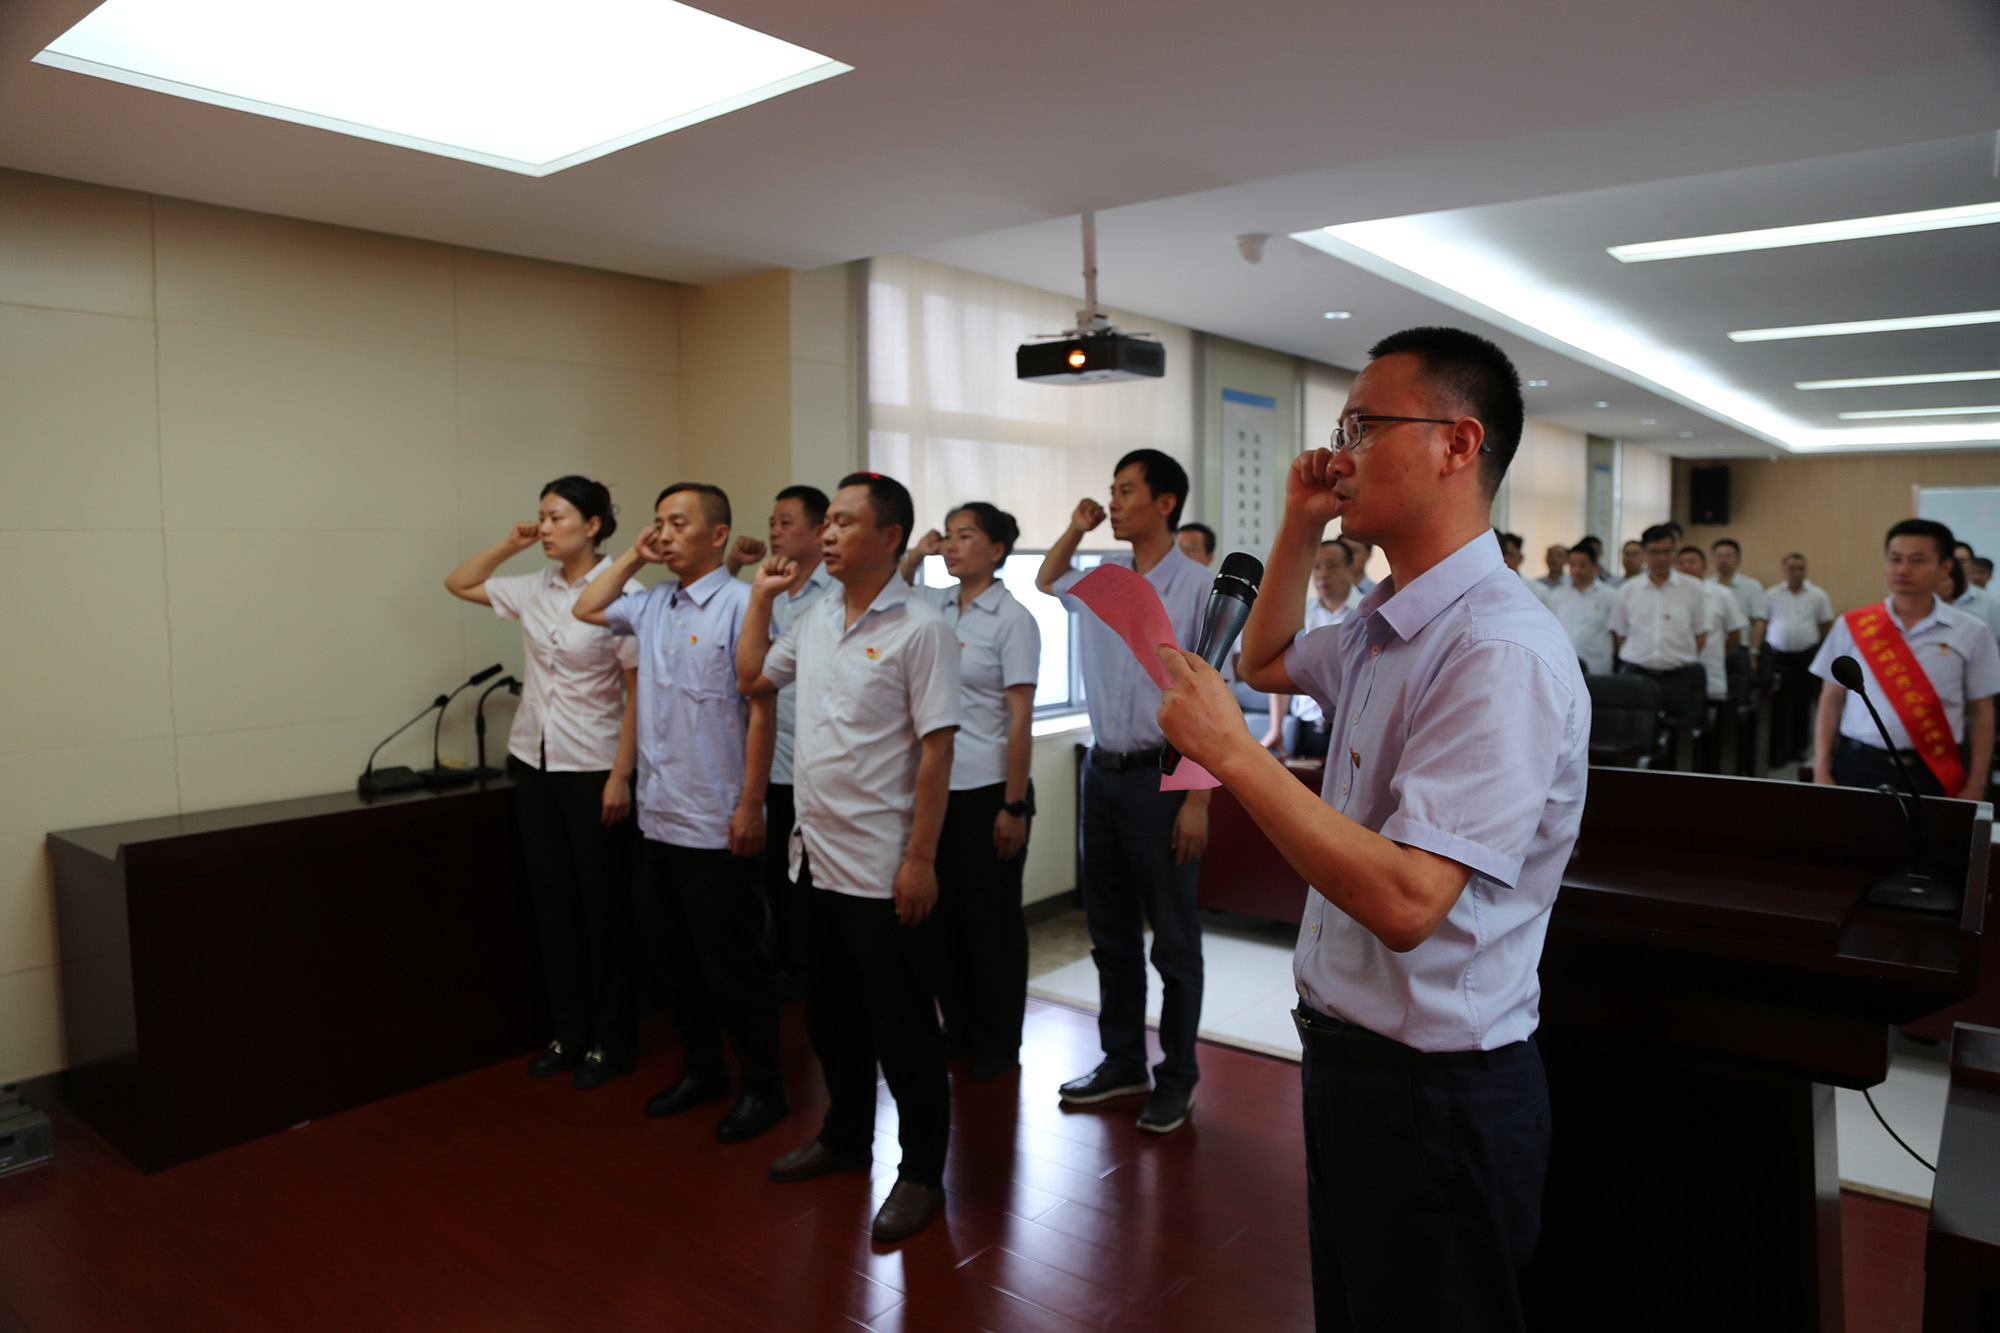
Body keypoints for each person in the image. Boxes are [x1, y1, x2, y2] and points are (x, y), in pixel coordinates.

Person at [1165, 325, 1585, 1330]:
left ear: (1456, 444)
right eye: (1339, 428)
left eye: (1363, 426)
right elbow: (1264, 658)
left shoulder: (1494, 647)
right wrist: (1300, 520)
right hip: (1351, 1063)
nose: (1338, 452)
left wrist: (1233, 755)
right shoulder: (1387, 618)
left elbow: (1407, 900)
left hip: (1437, 1093)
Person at [737, 471, 960, 1243]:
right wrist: (761, 599)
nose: (827, 533)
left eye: (844, 522)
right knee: (830, 1019)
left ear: (890, 537)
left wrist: (921, 860)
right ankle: (844, 1136)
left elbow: (937, 752)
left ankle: (922, 1172)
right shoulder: (815, 616)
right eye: (825, 520)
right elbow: (751, 677)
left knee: (904, 1029)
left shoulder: (922, 627)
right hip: (815, 855)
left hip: (882, 863)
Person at [573, 483, 788, 1144]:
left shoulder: (742, 603)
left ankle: (764, 1087)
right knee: (676, 960)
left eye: (678, 523)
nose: (665, 534)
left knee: (735, 963)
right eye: (658, 524)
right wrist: (633, 556)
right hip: (659, 814)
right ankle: (703, 1069)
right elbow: (586, 605)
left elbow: (762, 710)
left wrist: (751, 804)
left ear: (718, 534)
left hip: (718, 817)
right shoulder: (652, 603)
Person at [444, 477, 642, 1090]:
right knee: (553, 905)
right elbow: (460, 583)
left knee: (601, 908)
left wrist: (621, 774)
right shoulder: (534, 586)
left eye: (558, 517)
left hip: (593, 768)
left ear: (593, 525)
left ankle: (612, 1041)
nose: (546, 527)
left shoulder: (623, 591)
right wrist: (511, 544)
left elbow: (639, 692)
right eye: (542, 517)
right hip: (533, 761)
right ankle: (569, 1033)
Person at [1036, 449, 1211, 1134]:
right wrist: (1076, 528)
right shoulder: (1102, 579)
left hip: (1162, 777)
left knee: (1173, 941)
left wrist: (1197, 799)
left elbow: (1212, 698)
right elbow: (1046, 578)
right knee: (1109, 932)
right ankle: (1122, 1062)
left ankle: (1179, 1077)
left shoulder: (1196, 587)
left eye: (1126, 490)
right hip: (1101, 773)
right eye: (1111, 489)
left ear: (1165, 503)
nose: (1113, 501)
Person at [897, 504, 1040, 1080]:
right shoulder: (933, 605)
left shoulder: (1013, 618)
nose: (952, 546)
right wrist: (917, 551)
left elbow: (1020, 720)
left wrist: (1013, 805)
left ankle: (998, 1039)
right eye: (948, 536)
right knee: (943, 919)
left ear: (997, 551)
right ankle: (956, 1026)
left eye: (965, 536)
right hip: (936, 790)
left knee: (991, 923)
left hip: (989, 789)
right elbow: (892, 586)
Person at [730, 486, 833, 995]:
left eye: (786, 522)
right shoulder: (765, 590)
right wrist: (738, 569)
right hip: (766, 762)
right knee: (771, 875)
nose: (774, 530)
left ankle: (810, 971)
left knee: (809, 881)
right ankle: (786, 971)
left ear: (819, 532)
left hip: (812, 766)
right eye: (772, 521)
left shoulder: (833, 597)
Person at [1811, 520, 1996, 800]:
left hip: (1934, 768)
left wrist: (1977, 783)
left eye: (1917, 560)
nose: (1902, 569)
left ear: (1945, 567)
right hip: (1859, 765)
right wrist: (1821, 767)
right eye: (1895, 559)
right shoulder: (1852, 624)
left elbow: (1982, 709)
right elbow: (1831, 698)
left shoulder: (1972, 631)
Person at [1608, 525, 1708, 722]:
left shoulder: (1693, 588)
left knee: (1679, 733)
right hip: (1637, 676)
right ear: (1644, 554)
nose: (1662, 558)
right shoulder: (1628, 590)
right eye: (1655, 552)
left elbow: (1700, 636)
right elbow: (1620, 635)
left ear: (1675, 552)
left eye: (1667, 551)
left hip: (1678, 678)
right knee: (1635, 731)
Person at [1281, 538, 1365, 759]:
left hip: (1352, 729)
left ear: (1351, 570)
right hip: (1305, 726)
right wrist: (1275, 727)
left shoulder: (1367, 613)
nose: (1322, 574)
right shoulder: (1299, 613)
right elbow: (1281, 666)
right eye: (1316, 567)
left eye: (1332, 566)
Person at [1764, 553, 1834, 761]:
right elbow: (1763, 621)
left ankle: (1800, 748)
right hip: (1777, 657)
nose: (1795, 572)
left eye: (1800, 568)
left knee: (1804, 702)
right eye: (1791, 568)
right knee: (1777, 704)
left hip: (1807, 656)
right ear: (1783, 571)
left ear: (1806, 571)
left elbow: (1826, 624)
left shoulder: (1818, 595)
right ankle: (1776, 750)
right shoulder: (1771, 594)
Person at [1677, 546, 1747, 703]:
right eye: (1681, 563)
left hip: (1710, 670)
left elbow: (1735, 636)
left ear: (1704, 566)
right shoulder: (1669, 596)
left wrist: (1718, 653)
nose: (1686, 566)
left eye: (1692, 562)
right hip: (1676, 673)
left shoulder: (1722, 594)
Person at [1550, 542, 1616, 676]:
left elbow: (1616, 634)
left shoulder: (1610, 596)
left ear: (1595, 566)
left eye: (1582, 565)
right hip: (1564, 667)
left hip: (1598, 668)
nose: (1577, 570)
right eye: (1573, 565)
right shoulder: (1556, 595)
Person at [1708, 539, 1768, 654]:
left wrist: (1754, 650)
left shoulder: (1752, 586)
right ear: (1712, 560)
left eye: (1728, 556)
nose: (1723, 560)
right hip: (1712, 649)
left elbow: (1759, 622)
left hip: (1742, 648)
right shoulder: (1705, 586)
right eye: (1719, 556)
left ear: (1738, 560)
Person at [1949, 542, 2000, 642]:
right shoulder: (1926, 599)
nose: (1956, 567)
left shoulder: (1993, 603)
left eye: (1962, 561)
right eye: (1952, 561)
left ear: (1973, 565)